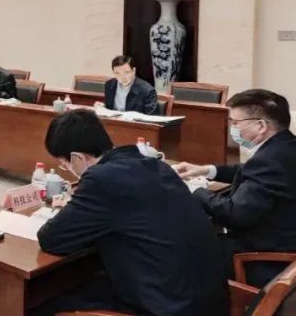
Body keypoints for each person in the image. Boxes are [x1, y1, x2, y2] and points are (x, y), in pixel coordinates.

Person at [31, 109, 228, 316]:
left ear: (77, 157)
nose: (65, 168)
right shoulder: (155, 165)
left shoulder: (101, 179)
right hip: (207, 299)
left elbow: (51, 239)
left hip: (168, 306)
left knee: (40, 303)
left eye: (64, 164)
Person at [173, 89, 296, 287]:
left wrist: (195, 191)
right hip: (280, 240)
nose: (232, 127)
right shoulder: (285, 146)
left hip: (263, 260)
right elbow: (247, 170)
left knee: (181, 245)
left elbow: (234, 214)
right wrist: (206, 170)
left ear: (261, 126)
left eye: (235, 122)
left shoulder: (269, 161)